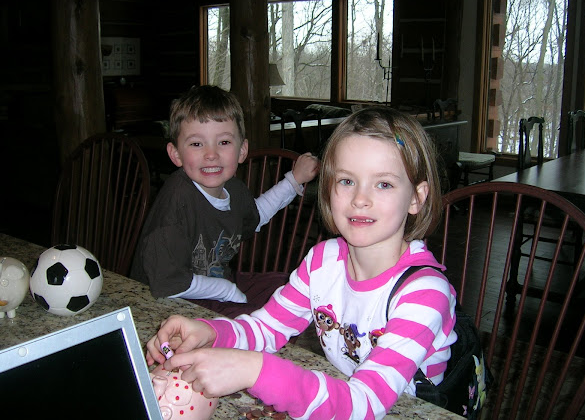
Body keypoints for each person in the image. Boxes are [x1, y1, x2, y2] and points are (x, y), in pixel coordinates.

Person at [146, 106, 457, 418]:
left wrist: (256, 371)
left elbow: (364, 404)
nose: (360, 198)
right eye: (347, 181)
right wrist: (210, 333)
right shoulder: (324, 260)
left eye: (384, 184)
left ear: (417, 197)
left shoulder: (425, 294)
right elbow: (265, 328)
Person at [130, 85, 319, 304]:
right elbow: (167, 283)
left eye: (224, 142)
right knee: (256, 321)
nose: (211, 154)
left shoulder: (233, 188)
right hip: (167, 302)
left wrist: (294, 180)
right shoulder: (176, 202)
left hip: (214, 287)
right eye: (197, 144)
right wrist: (226, 291)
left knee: (291, 287)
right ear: (176, 154)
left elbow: (254, 216)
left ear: (242, 151)